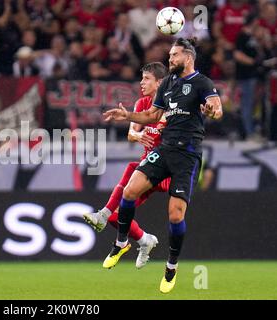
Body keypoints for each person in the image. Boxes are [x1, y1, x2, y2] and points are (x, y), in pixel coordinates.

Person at [103, 38, 223, 293]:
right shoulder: (167, 82)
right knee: (129, 191)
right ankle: (121, 241)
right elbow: (151, 116)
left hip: (187, 155)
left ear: (188, 58)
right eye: (169, 55)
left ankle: (171, 266)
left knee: (175, 215)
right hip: (164, 149)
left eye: (174, 55)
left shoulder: (202, 83)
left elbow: (217, 108)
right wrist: (127, 116)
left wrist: (212, 110)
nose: (170, 59)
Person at [83, 62, 170, 270]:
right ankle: (144, 240)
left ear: (159, 82)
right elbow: (131, 134)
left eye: (146, 79)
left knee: (133, 167)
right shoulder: (141, 103)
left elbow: (168, 128)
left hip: (167, 170)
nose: (141, 83)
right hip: (148, 169)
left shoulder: (171, 104)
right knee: (117, 215)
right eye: (141, 78)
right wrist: (140, 135)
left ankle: (102, 214)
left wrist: (156, 132)